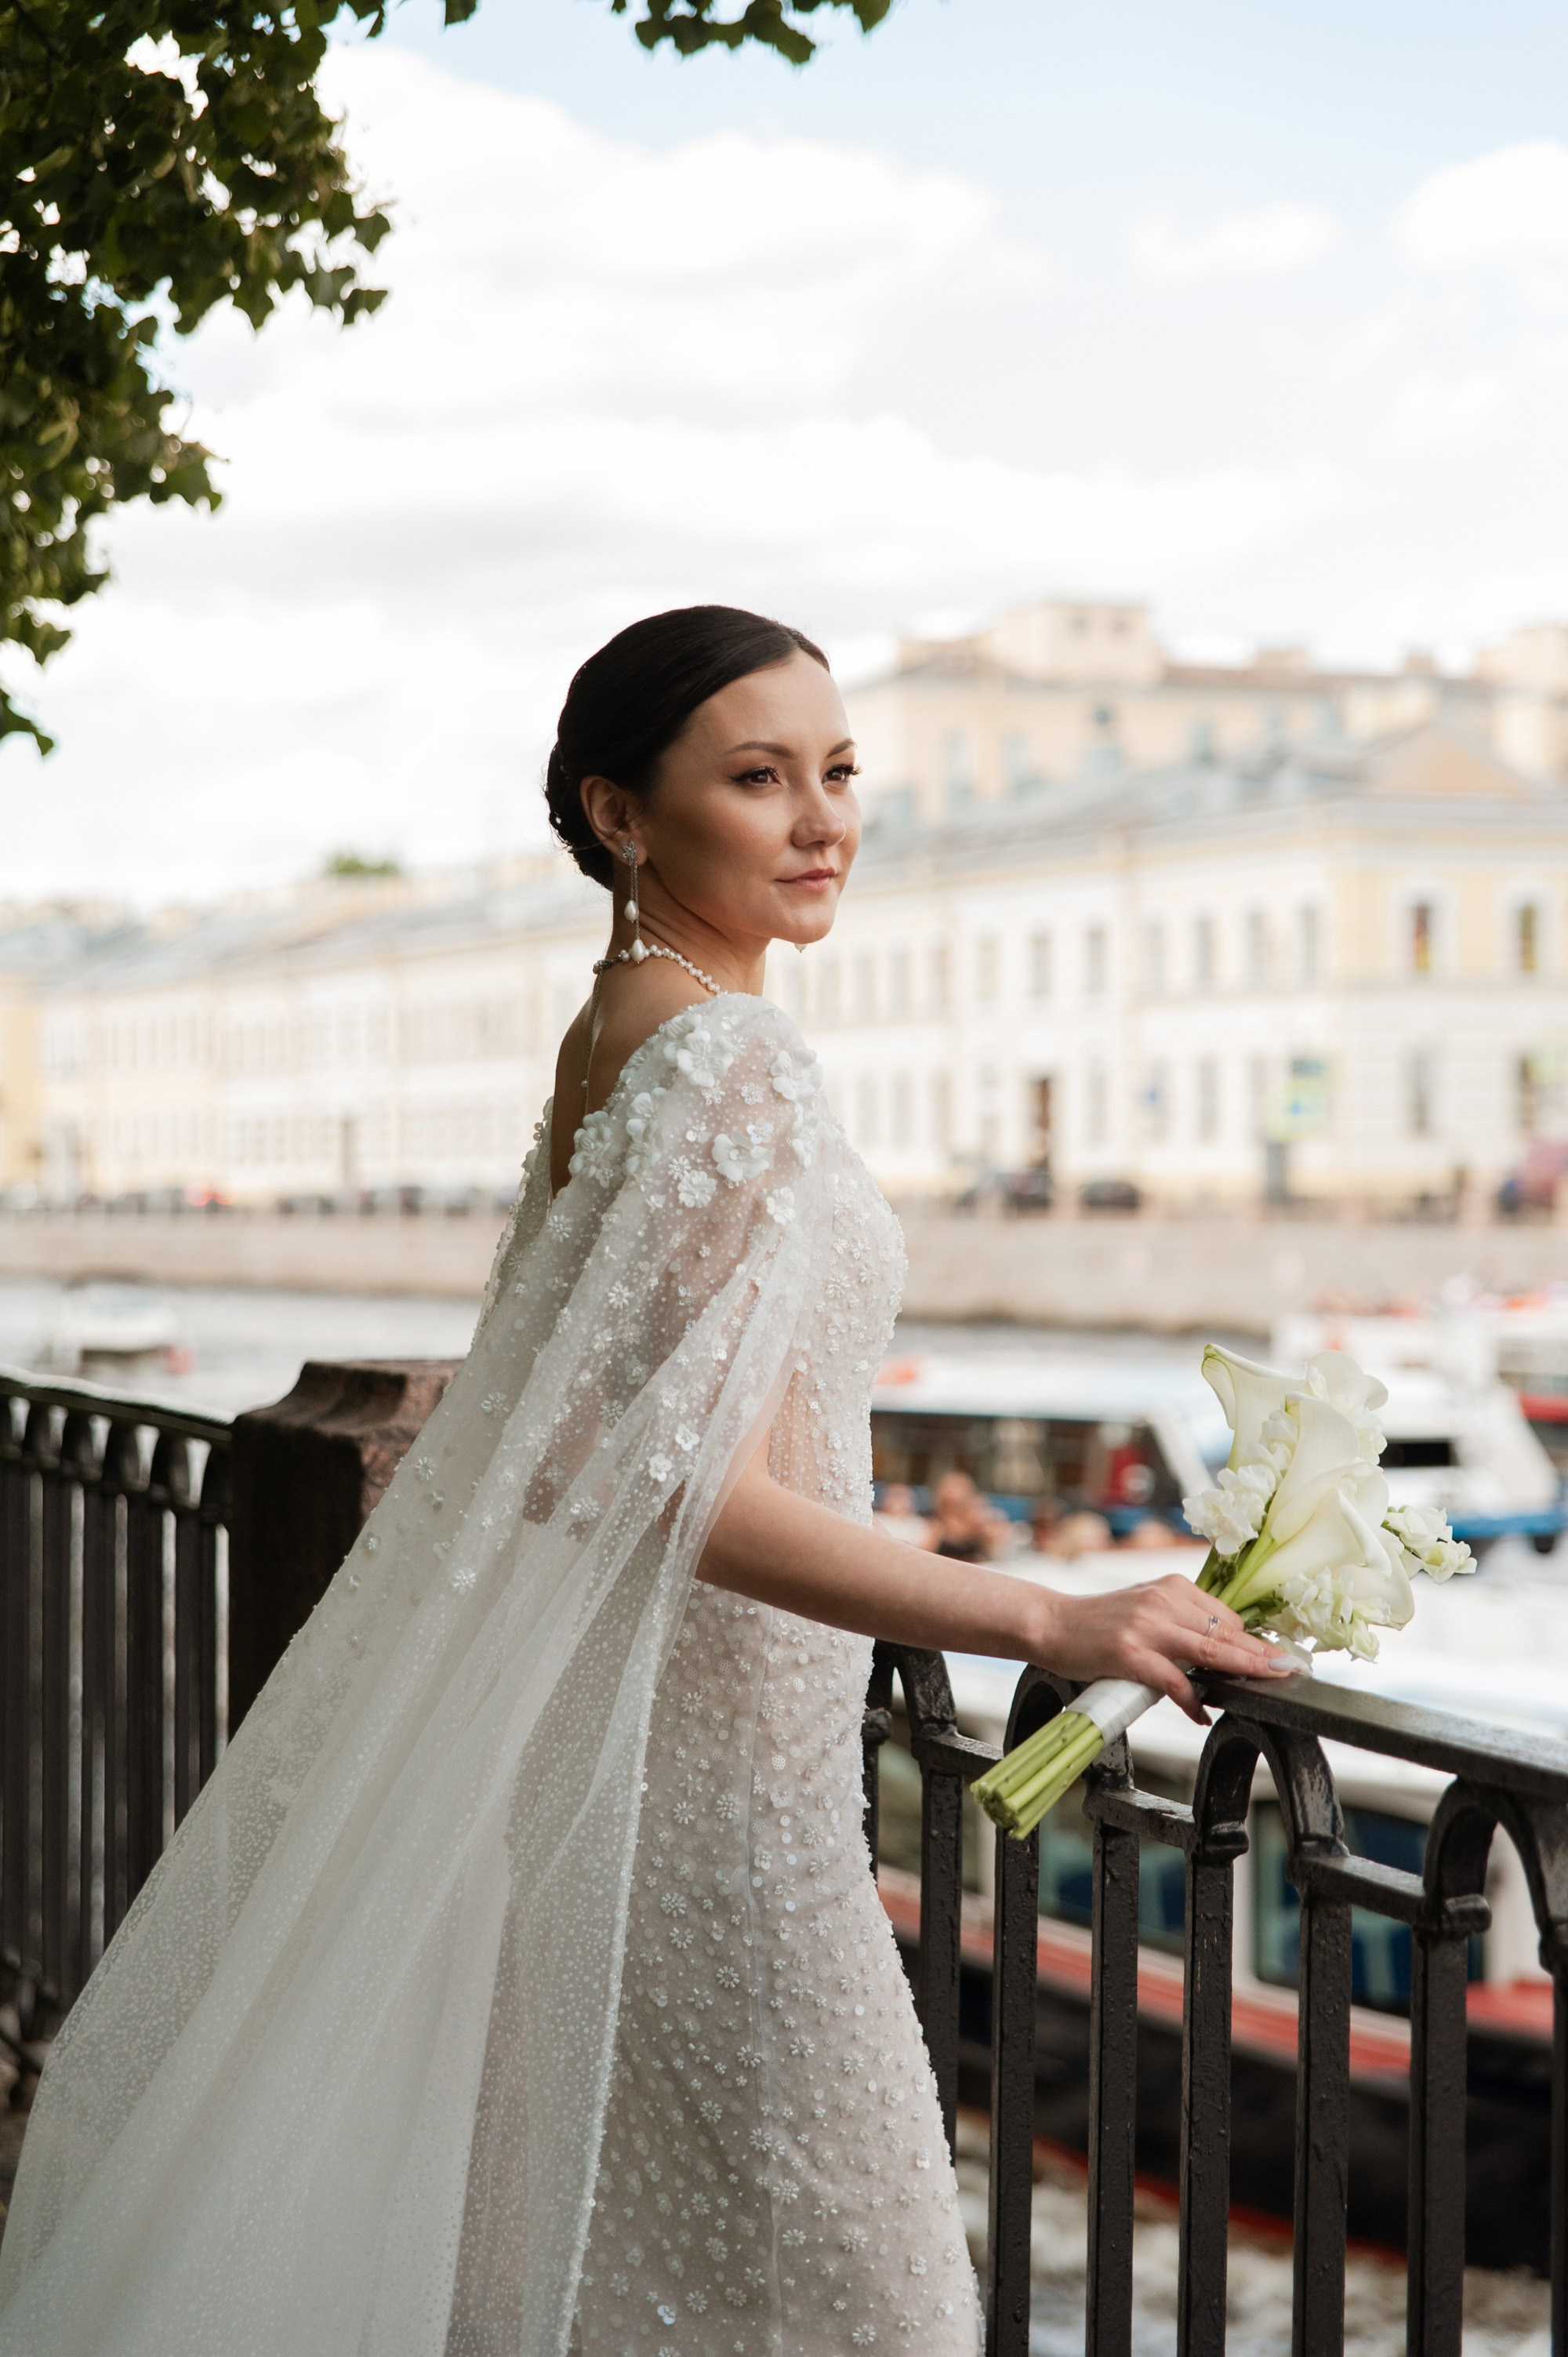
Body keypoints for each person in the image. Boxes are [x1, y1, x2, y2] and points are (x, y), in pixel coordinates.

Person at [0, 607, 1290, 2357]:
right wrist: (1048, 1610)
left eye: (838, 771)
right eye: (757, 778)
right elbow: (688, 1498)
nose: (822, 818)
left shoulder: (618, 1022)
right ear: (621, 815)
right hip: (735, 1818)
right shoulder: (729, 1056)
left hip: (626, 1779)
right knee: (847, 2290)